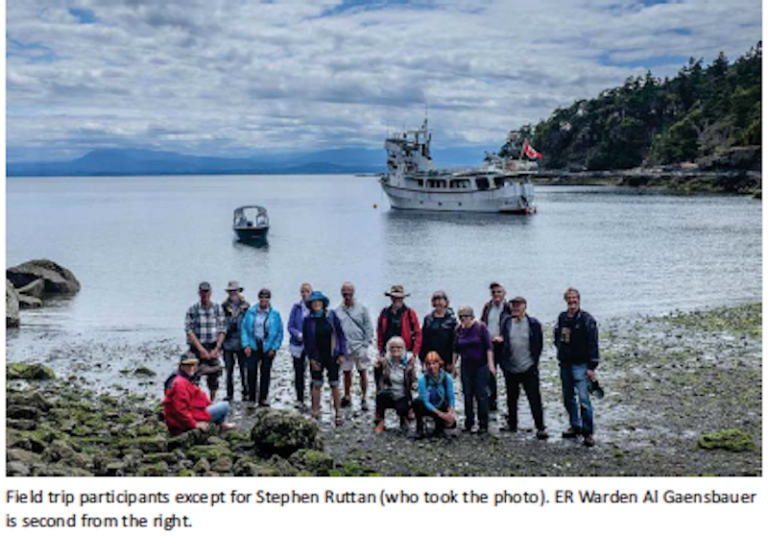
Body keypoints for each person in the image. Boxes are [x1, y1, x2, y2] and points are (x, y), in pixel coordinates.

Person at [554, 288, 600, 447]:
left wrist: (592, 366)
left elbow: (593, 343)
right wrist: (560, 351)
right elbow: (557, 337)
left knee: (584, 399)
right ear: (565, 300)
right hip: (565, 364)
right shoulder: (562, 318)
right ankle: (575, 425)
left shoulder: (587, 320)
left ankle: (588, 432)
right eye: (569, 298)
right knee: (568, 397)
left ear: (579, 299)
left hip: (582, 365)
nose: (572, 301)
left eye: (574, 298)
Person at [499, 296, 548, 439]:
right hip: (511, 367)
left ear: (524, 307)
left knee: (534, 398)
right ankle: (512, 424)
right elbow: (504, 342)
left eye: (518, 306)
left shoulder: (533, 323)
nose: (515, 308)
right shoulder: (506, 322)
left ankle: (540, 427)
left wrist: (534, 363)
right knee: (511, 398)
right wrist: (504, 363)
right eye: (513, 306)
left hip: (528, 367)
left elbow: (538, 345)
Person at [302, 291, 347, 425]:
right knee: (316, 384)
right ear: (311, 305)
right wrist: (311, 358)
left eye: (319, 302)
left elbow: (340, 335)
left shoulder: (332, 316)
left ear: (323, 303)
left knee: (334, 384)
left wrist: (342, 353)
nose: (316, 304)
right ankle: (315, 410)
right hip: (317, 356)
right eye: (314, 302)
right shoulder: (307, 320)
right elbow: (306, 341)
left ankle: (338, 412)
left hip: (332, 355)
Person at [162, 355, 234, 435]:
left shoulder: (183, 379)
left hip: (190, 414)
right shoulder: (180, 383)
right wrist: (194, 424)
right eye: (188, 365)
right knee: (225, 405)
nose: (191, 368)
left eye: (193, 365)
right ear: (181, 366)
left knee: (217, 406)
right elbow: (180, 409)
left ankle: (219, 425)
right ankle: (221, 425)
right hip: (185, 421)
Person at [452, 306, 495, 434]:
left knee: (481, 395)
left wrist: (491, 364)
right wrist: (453, 366)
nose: (463, 320)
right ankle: (469, 422)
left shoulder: (480, 328)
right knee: (467, 394)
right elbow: (455, 349)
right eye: (461, 317)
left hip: (481, 365)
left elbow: (488, 347)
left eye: (466, 317)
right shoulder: (458, 330)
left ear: (472, 317)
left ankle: (483, 424)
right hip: (466, 366)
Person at [240, 288, 283, 407]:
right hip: (254, 344)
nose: (264, 300)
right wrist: (246, 345)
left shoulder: (275, 314)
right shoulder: (251, 312)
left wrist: (274, 348)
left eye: (266, 298)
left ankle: (263, 397)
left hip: (267, 346)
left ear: (269, 299)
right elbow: (244, 329)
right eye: (262, 297)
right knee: (251, 371)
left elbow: (279, 332)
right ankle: (252, 397)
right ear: (259, 298)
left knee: (265, 372)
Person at [335, 282, 374, 411]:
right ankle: (347, 396)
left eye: (349, 290)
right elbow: (335, 331)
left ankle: (364, 398)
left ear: (353, 292)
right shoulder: (337, 310)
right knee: (346, 372)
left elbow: (368, 327)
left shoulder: (362, 308)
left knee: (362, 371)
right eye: (345, 291)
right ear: (341, 293)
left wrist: (366, 344)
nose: (347, 293)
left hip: (359, 346)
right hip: (345, 347)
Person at [185, 281, 226, 401]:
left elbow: (223, 329)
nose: (205, 294)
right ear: (199, 293)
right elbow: (189, 331)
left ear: (211, 292)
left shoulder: (217, 308)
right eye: (202, 292)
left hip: (213, 345)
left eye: (207, 292)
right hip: (197, 346)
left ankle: (211, 401)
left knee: (214, 376)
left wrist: (217, 348)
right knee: (194, 375)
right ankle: (194, 401)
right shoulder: (193, 309)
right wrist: (200, 349)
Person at [376, 285, 421, 388]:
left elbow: (418, 334)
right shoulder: (384, 312)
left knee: (408, 377)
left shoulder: (410, 313)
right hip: (388, 350)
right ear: (391, 298)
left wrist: (414, 354)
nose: (397, 300)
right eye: (394, 297)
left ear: (403, 298)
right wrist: (380, 352)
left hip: (405, 351)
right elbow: (379, 333)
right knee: (384, 376)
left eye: (399, 297)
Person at [374, 336, 416, 434]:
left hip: (403, 393)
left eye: (398, 347)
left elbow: (414, 378)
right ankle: (381, 421)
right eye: (392, 347)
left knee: (403, 406)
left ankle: (403, 418)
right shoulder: (385, 361)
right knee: (380, 395)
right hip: (390, 392)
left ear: (403, 348)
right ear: (389, 349)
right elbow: (377, 379)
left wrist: (414, 384)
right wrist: (376, 369)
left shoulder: (409, 362)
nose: (395, 350)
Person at [480, 282, 511, 412]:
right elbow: (482, 323)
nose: (496, 295)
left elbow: (513, 325)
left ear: (504, 293)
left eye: (499, 292)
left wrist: (503, 337)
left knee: (508, 375)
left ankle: (510, 405)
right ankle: (492, 403)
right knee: (490, 375)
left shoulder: (508, 308)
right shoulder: (487, 307)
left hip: (503, 346)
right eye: (494, 292)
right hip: (489, 345)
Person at [414, 351, 456, 438]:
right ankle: (420, 428)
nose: (432, 366)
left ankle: (439, 427)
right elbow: (426, 401)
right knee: (417, 402)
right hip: (429, 407)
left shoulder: (447, 378)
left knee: (451, 425)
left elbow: (451, 397)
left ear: (439, 364)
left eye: (434, 363)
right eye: (429, 364)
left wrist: (450, 413)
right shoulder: (422, 379)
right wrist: (441, 414)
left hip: (441, 405)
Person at [221, 281, 250, 402]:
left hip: (241, 342)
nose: (233, 293)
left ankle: (246, 392)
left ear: (239, 292)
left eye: (235, 291)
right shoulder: (223, 306)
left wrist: (248, 343)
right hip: (227, 343)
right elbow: (220, 325)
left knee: (244, 369)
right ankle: (229, 394)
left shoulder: (246, 306)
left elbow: (249, 325)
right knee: (229, 370)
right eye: (231, 291)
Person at [287, 282, 313, 409]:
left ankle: (314, 399)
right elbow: (290, 326)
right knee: (299, 372)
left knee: (314, 371)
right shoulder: (296, 307)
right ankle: (300, 398)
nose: (305, 294)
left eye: (307, 291)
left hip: (312, 345)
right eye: (303, 291)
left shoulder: (315, 307)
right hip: (298, 344)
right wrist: (298, 334)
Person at [419, 290, 458, 373]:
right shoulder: (428, 319)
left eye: (440, 300)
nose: (438, 303)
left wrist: (452, 362)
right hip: (430, 358)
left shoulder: (452, 320)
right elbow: (423, 340)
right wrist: (422, 358)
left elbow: (454, 342)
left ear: (446, 302)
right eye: (435, 300)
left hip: (446, 358)